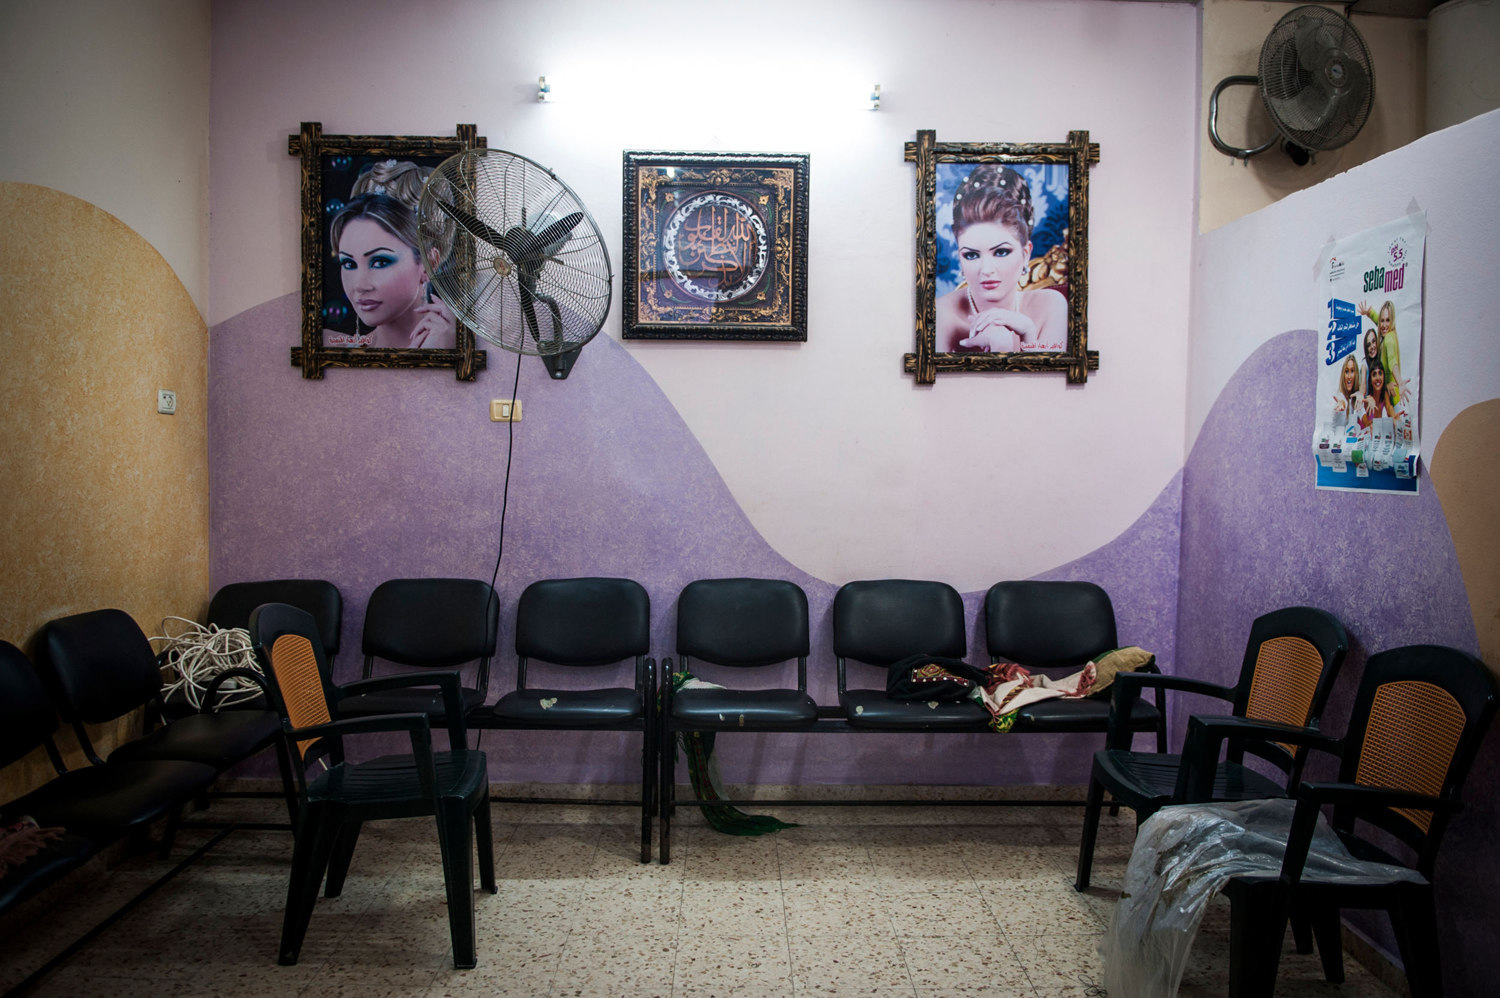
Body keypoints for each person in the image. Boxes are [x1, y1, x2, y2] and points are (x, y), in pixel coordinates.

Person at [935, 165, 1066, 353]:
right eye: (971, 255)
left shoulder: (1051, 306)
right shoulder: (941, 315)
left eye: (1001, 252)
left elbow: (1051, 382)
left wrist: (1028, 336)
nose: (986, 269)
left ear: (1026, 253)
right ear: (960, 259)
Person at [325, 193, 456, 349]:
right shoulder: (327, 345)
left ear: (429, 264)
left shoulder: (471, 347)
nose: (360, 286)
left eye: (380, 262)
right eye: (349, 263)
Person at [1358, 299, 1404, 405]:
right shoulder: (1386, 334)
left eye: (1388, 320)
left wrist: (1400, 382)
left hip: (1394, 396)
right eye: (1382, 320)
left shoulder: (1389, 339)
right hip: (1389, 395)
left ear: (1392, 321)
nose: (1383, 325)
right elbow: (1380, 324)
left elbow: (1393, 362)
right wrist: (1369, 312)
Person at [1358, 360, 1398, 428]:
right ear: (1370, 379)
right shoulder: (1367, 399)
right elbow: (1366, 424)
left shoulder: (1385, 394)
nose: (1377, 378)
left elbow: (1389, 407)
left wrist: (1395, 417)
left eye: (1380, 373)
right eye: (1374, 374)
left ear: (1383, 376)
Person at [1331, 353, 1362, 421]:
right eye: (1347, 371)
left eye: (1352, 371)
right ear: (1343, 374)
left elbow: (1365, 420)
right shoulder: (1339, 396)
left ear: (1356, 374)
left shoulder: (1357, 398)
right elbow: (1342, 401)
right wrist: (1342, 404)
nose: (1349, 376)